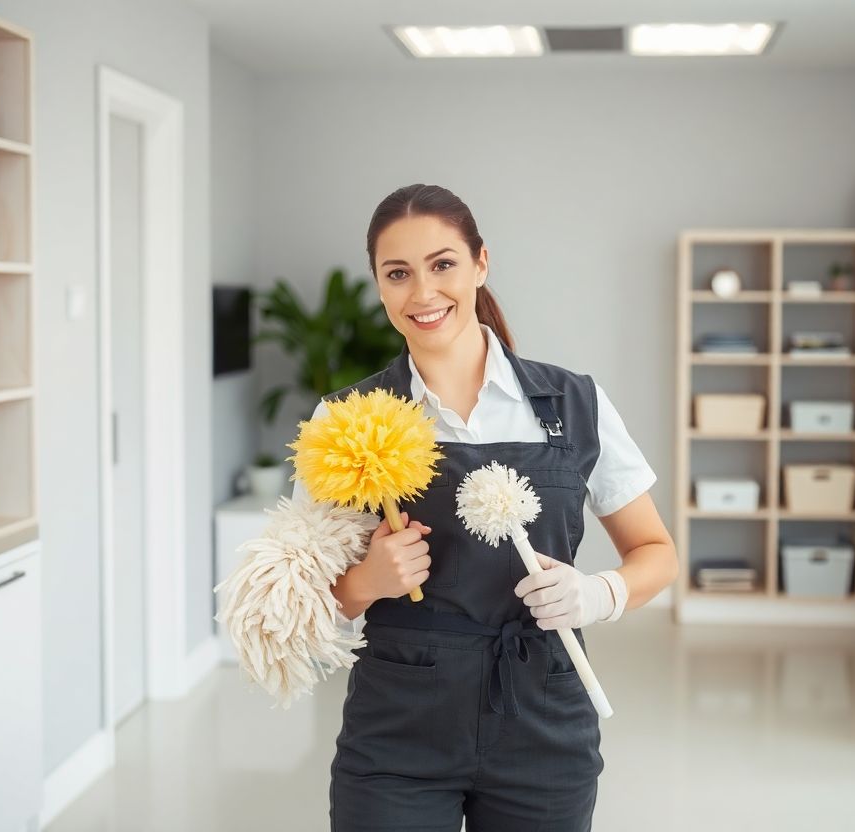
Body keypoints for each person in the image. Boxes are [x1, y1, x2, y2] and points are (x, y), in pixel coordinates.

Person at [289, 183, 678, 831]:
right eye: (398, 274)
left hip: (546, 728)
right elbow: (298, 603)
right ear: (380, 286)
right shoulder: (346, 422)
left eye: (443, 264)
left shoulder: (573, 405)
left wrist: (598, 594)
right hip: (396, 736)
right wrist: (367, 582)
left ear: (480, 265)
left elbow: (656, 554)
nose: (423, 292)